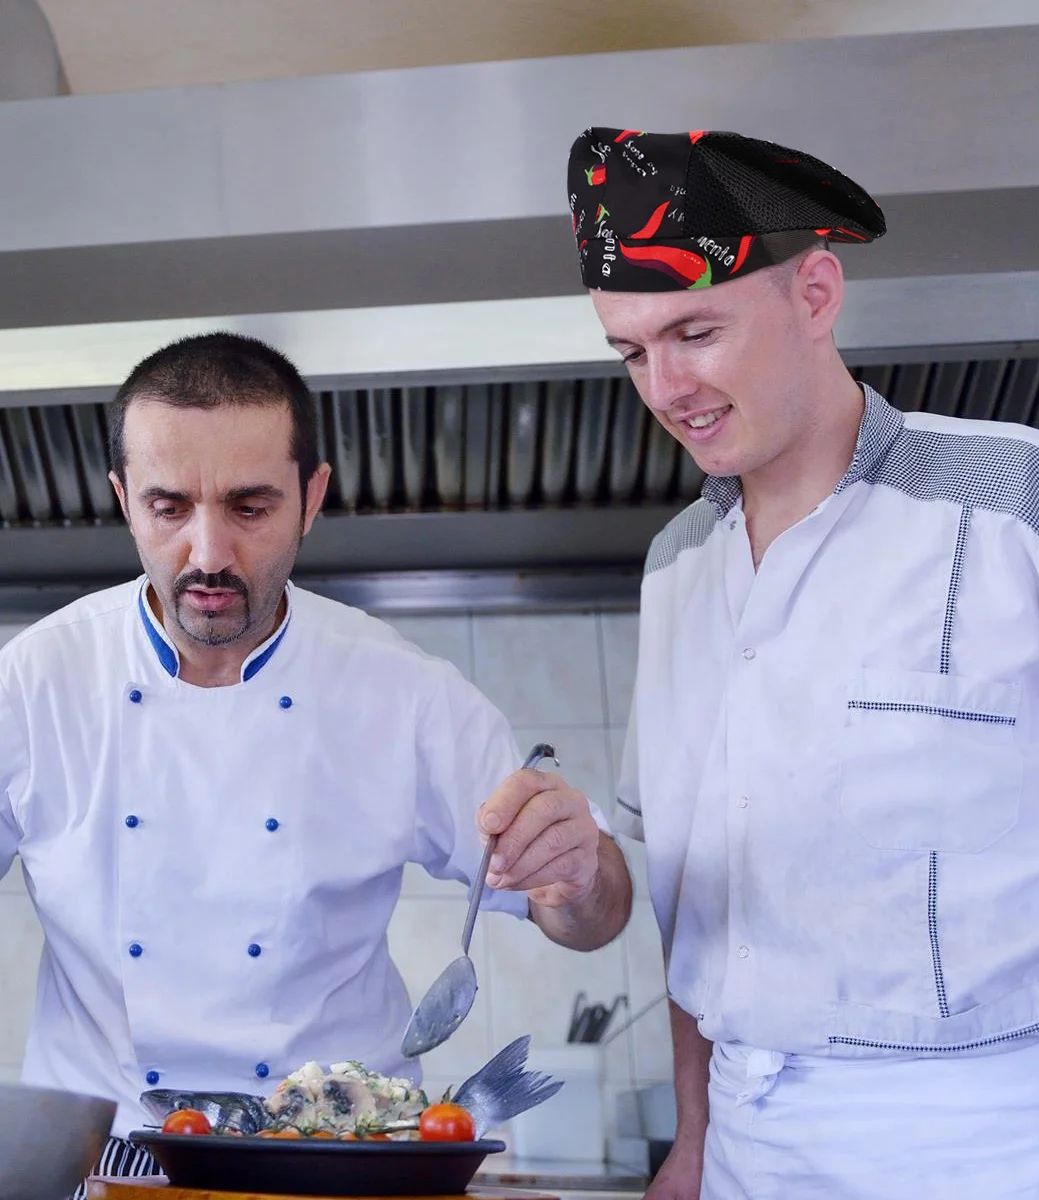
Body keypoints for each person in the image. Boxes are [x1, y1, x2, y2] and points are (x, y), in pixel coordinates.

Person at [566, 127, 1039, 1198]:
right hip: (745, 1159)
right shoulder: (678, 567)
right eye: (632, 352)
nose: (665, 386)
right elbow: (699, 895)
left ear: (816, 293)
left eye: (696, 331)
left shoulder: (1037, 507)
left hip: (1000, 1154)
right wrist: (694, 1136)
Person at [0, 331, 632, 1186]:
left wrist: (581, 874)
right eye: (168, 507)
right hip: (109, 1171)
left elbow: (591, 919)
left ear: (313, 495)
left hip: (337, 1167)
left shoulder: (404, 694)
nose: (209, 554)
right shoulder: (34, 684)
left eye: (251, 506)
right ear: (122, 499)